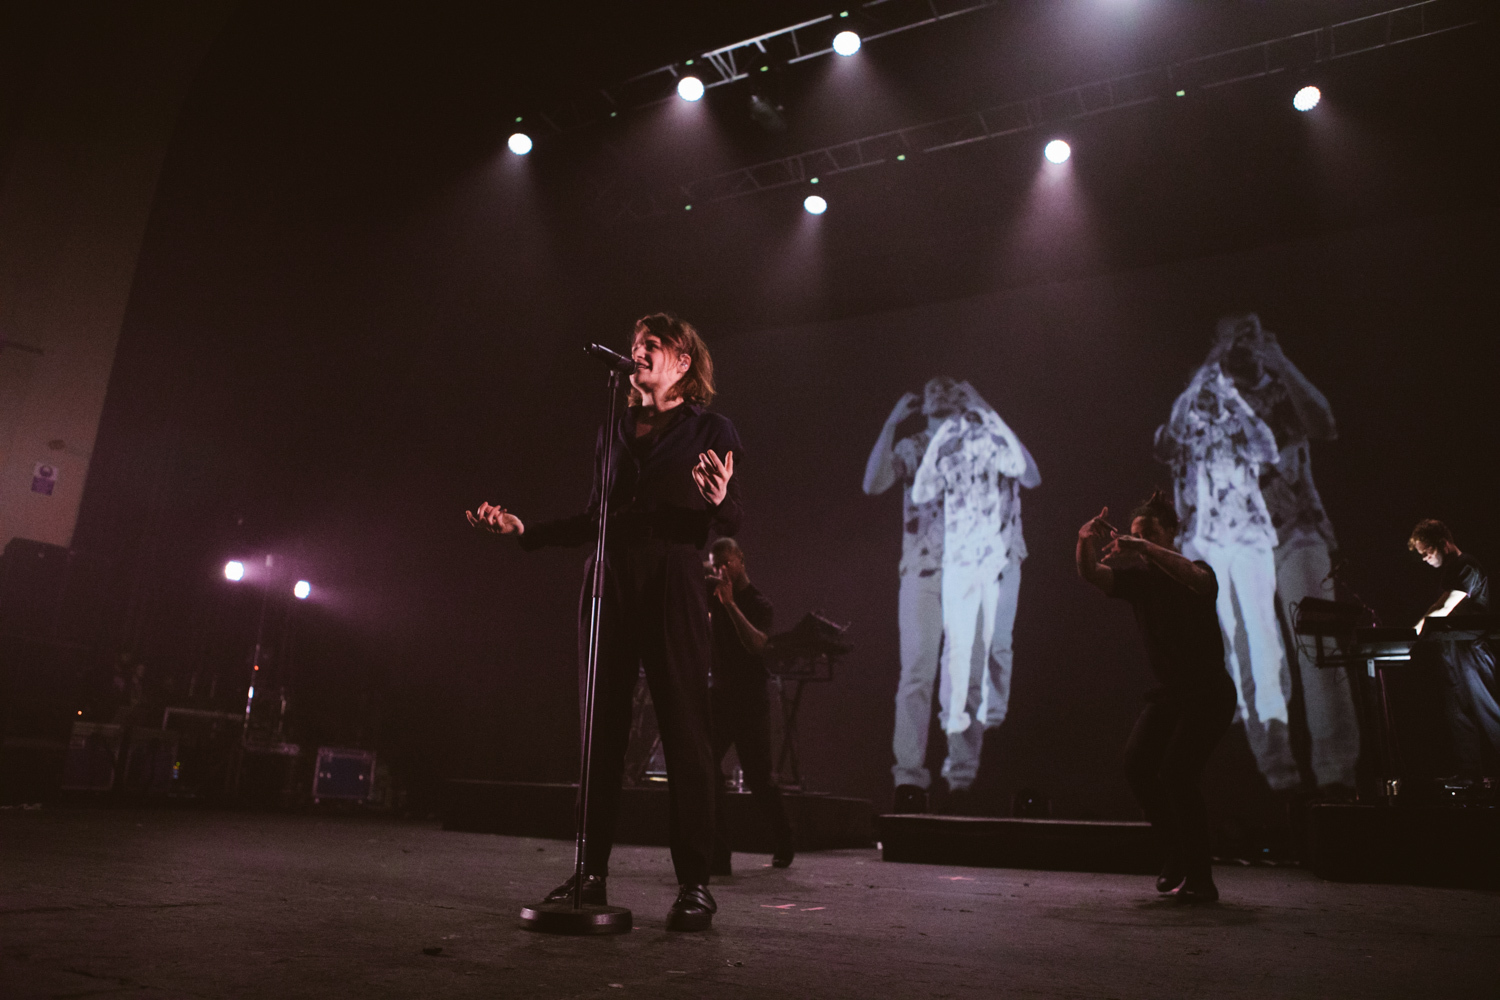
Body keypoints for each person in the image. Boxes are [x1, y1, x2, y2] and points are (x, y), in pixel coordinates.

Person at [466, 313, 739, 932]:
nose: (637, 352)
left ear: (682, 364)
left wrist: (721, 500)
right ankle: (589, 874)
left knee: (686, 736)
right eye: (636, 344)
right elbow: (598, 517)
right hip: (609, 585)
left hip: (671, 585)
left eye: (653, 346)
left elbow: (730, 515)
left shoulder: (711, 428)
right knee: (600, 735)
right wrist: (526, 531)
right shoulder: (612, 430)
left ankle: (694, 885)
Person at [863, 378, 1040, 814]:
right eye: (936, 413)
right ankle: (909, 779)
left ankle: (961, 779)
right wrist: (890, 424)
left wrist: (987, 406)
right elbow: (873, 483)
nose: (943, 421)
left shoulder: (989, 443)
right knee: (918, 674)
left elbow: (1030, 475)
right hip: (924, 570)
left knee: (967, 678)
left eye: (950, 412)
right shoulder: (917, 445)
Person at [1207, 313, 1359, 795]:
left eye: (1249, 336)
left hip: (1299, 533)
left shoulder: (1281, 390)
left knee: (1321, 653)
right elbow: (1172, 443)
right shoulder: (1210, 400)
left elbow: (1325, 424)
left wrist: (1281, 360)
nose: (1242, 346)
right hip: (1241, 543)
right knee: (1255, 662)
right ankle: (1279, 780)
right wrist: (1213, 363)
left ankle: (1337, 778)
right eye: (1233, 338)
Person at [1076, 492, 1237, 903]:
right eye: (1133, 535)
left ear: (1170, 533)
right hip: (1171, 695)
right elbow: (1092, 574)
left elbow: (1197, 581)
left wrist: (1144, 546)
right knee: (1137, 765)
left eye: (1149, 533)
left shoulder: (1197, 572)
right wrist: (1084, 541)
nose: (1138, 541)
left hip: (1208, 694)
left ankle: (1201, 879)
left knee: (1178, 774)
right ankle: (1177, 854)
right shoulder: (1139, 583)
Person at [1155, 362, 1299, 792]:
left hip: (1250, 537)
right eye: (1203, 390)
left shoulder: (1240, 425)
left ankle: (1275, 730)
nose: (1209, 396)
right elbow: (1168, 441)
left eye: (1212, 390)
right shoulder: (1187, 433)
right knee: (1228, 633)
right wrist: (1196, 384)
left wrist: (1232, 396)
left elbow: (1269, 450)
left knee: (1261, 631)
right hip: (1210, 541)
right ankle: (1241, 711)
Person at [706, 537, 795, 874]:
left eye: (726, 563)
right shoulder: (712, 597)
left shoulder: (758, 603)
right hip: (721, 698)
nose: (721, 570)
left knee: (759, 778)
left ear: (740, 560)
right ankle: (719, 854)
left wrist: (729, 606)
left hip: (750, 700)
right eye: (715, 565)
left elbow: (758, 645)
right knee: (706, 769)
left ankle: (784, 840)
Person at [1410, 520, 1498, 778]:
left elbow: (1444, 609)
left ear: (1443, 544)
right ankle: (1469, 778)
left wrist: (1410, 635)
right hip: (1452, 650)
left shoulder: (1466, 566)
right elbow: (1436, 607)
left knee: (1490, 713)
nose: (1425, 558)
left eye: (1427, 551)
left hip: (1471, 651)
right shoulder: (1452, 571)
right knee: (1458, 718)